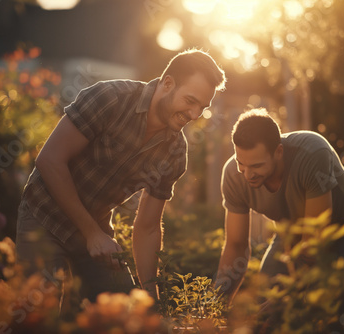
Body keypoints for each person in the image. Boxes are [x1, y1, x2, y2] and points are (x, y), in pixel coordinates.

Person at [16, 49, 226, 304]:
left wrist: (150, 299)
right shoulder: (110, 98)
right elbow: (50, 160)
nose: (194, 115)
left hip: (96, 231)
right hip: (44, 217)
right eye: (190, 101)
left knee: (128, 313)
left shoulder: (175, 151)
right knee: (38, 315)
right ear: (168, 83)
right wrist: (92, 233)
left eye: (202, 108)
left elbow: (148, 228)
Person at [215, 108, 344, 303]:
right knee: (264, 301)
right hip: (294, 232)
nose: (247, 174)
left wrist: (284, 301)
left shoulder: (313, 152)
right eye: (241, 164)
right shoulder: (233, 175)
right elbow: (236, 246)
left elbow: (314, 242)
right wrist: (215, 306)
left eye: (257, 166)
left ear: (278, 152)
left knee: (342, 301)